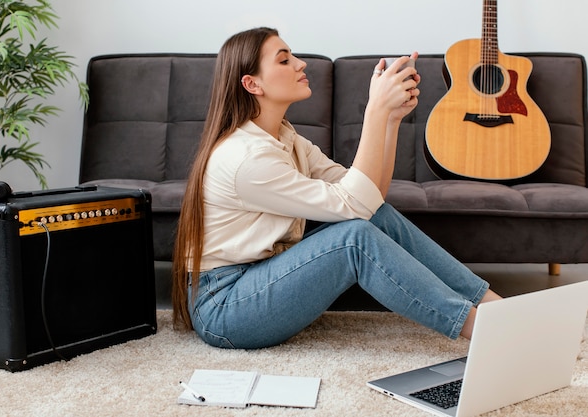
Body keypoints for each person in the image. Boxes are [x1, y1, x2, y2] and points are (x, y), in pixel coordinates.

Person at [171, 27, 501, 349]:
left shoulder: (286, 139)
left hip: (261, 276)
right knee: (354, 239)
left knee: (376, 218)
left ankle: (496, 307)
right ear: (251, 83)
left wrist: (391, 120)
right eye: (285, 60)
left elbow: (370, 199)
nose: (301, 64)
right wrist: (375, 110)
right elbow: (355, 205)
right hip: (225, 307)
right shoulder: (247, 158)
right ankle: (483, 327)